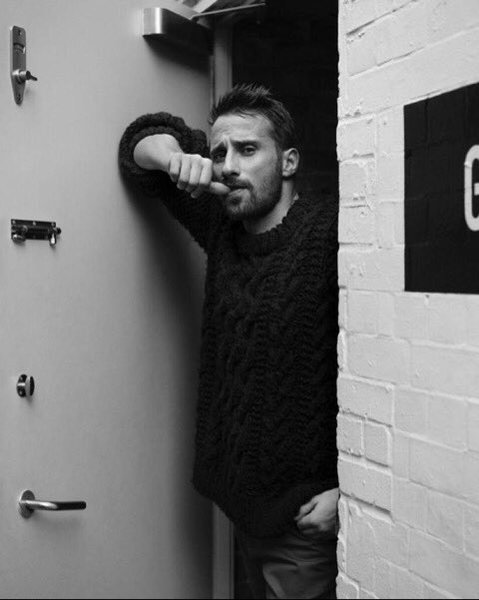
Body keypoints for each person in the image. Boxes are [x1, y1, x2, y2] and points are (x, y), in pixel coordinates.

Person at [119, 83, 339, 599]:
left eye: (248, 149)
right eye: (220, 153)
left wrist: (348, 492)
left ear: (288, 162)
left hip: (305, 521)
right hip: (242, 510)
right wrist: (175, 159)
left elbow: (384, 369)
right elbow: (136, 145)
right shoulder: (223, 224)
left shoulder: (332, 235)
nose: (230, 165)